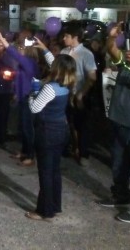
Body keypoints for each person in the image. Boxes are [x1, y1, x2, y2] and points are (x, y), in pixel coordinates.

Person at [25, 50, 76, 221]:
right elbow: (57, 63)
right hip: (61, 130)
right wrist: (45, 50)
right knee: (55, 171)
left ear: (57, 69)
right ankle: (55, 205)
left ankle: (44, 211)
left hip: (47, 132)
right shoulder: (66, 85)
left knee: (45, 173)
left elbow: (35, 108)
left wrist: (32, 93)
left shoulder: (49, 88)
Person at [97, 23, 130, 223]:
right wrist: (111, 37)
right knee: (119, 163)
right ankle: (120, 195)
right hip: (119, 119)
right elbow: (113, 52)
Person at [0, 28, 41, 166]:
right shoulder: (24, 63)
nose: (19, 49)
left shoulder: (29, 62)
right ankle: (24, 151)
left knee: (28, 129)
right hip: (22, 97)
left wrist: (3, 40)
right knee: (24, 127)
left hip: (29, 98)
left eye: (21, 47)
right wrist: (15, 92)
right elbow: (20, 80)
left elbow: (14, 54)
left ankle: (31, 156)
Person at [60, 23, 97, 166]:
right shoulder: (64, 51)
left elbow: (91, 77)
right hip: (64, 93)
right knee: (65, 123)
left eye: (67, 36)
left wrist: (82, 94)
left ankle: (83, 152)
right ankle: (67, 148)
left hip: (79, 95)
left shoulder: (86, 54)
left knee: (80, 125)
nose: (64, 38)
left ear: (75, 37)